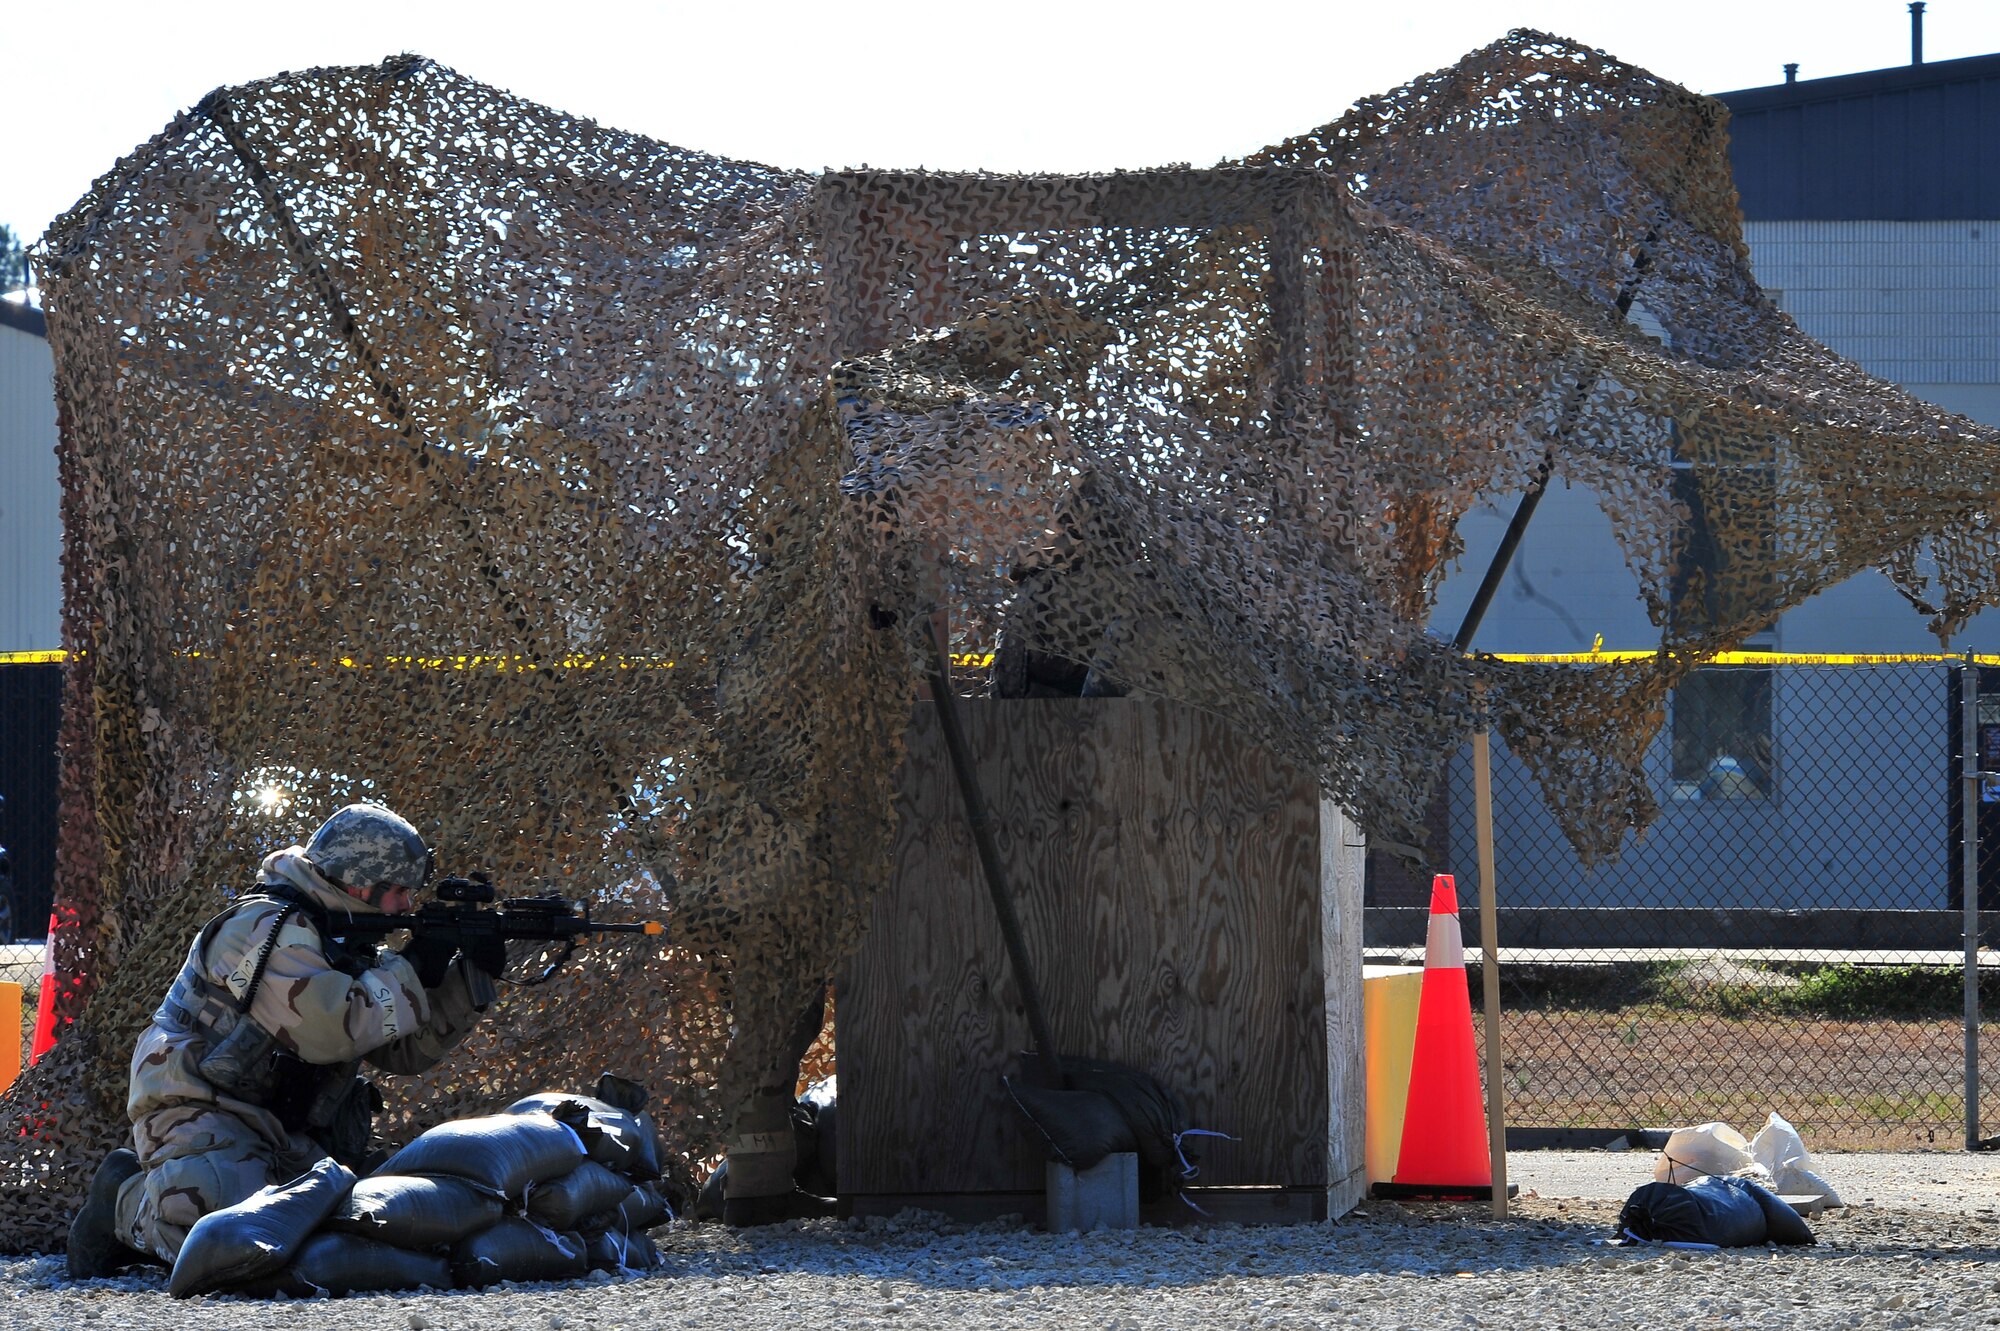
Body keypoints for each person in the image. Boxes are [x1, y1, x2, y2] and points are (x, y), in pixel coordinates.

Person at [66, 803, 502, 1277]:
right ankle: (123, 1203)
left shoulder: (346, 939)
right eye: (397, 892)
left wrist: (466, 981)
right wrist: (414, 966)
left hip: (285, 1125)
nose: (404, 908)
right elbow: (328, 1030)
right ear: (358, 882)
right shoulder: (264, 926)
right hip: (202, 1107)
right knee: (227, 1227)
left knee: (353, 1217)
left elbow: (402, 1049)